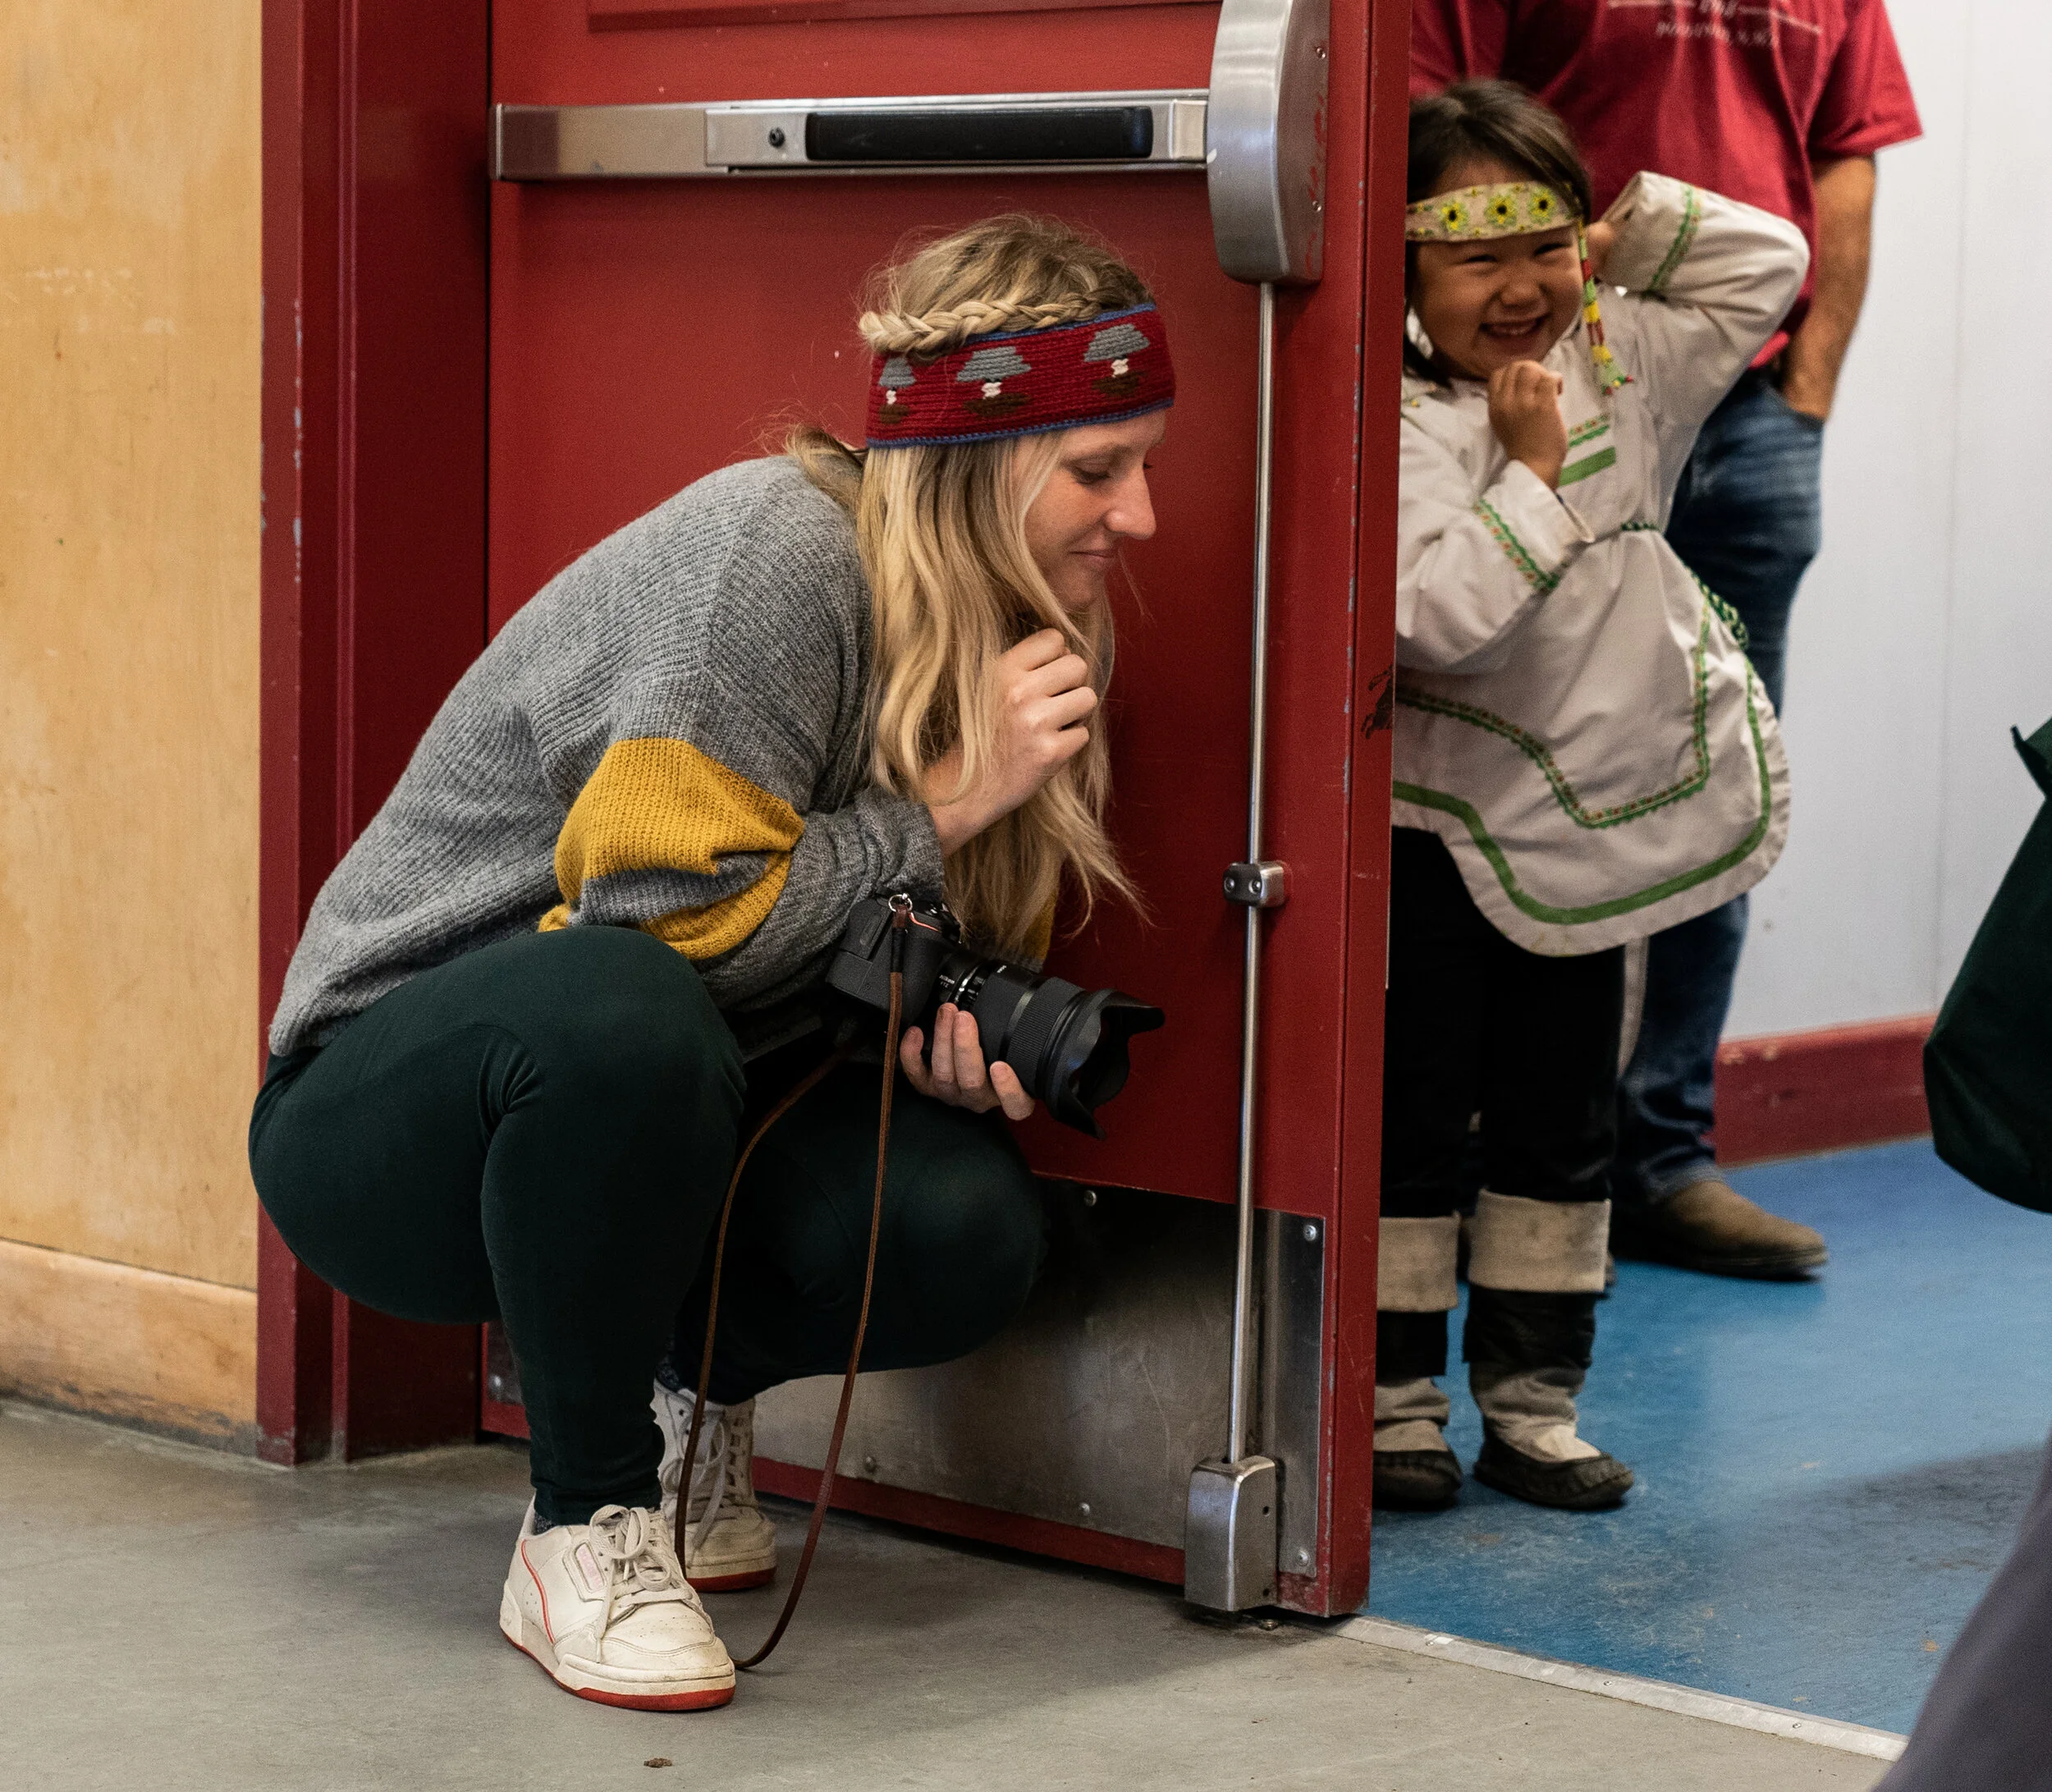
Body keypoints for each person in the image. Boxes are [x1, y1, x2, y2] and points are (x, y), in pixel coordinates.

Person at [249, 215, 1175, 1711]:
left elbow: (811, 950)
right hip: (393, 1117)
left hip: (661, 1103)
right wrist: (943, 809)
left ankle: (689, 1401)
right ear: (972, 462)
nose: (1138, 517)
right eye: (1098, 469)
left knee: (956, 1228)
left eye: (1144, 464)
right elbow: (660, 927)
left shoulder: (1012, 628)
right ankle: (585, 1520)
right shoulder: (775, 551)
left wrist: (919, 1038)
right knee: (621, 1007)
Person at [1412, 0, 1921, 1280]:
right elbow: (1413, 119)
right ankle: (1474, 1155)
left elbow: (1839, 164)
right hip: (1511, 387)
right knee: (1503, 774)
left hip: (1731, 398)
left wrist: (1802, 391)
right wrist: (1522, 275)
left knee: (1691, 771)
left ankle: (1660, 1153)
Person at [1375, 82, 1803, 1513]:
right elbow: (1429, 618)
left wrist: (1631, 237)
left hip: (1595, 823)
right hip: (1437, 820)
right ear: (1404, 266)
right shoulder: (1387, 419)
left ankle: (1534, 1402)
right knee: (1414, 1114)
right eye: (1472, 253)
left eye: (1543, 243)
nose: (1519, 288)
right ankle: (1391, 1401)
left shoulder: (1630, 352)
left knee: (1567, 1121)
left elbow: (1772, 262)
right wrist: (1538, 482)